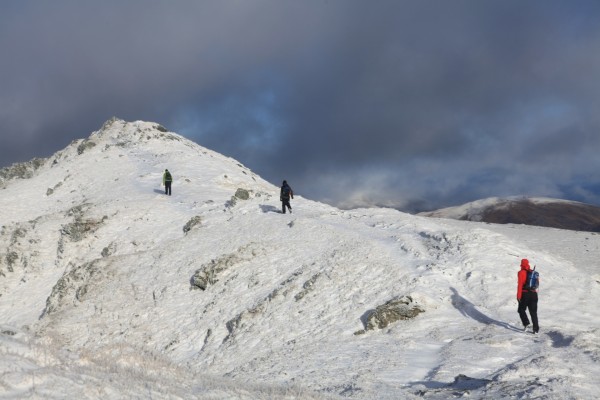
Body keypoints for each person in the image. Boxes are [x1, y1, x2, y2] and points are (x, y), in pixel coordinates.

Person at [517, 258, 539, 334]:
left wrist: (518, 296)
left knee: (521, 309)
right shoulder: (533, 273)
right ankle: (536, 329)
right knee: (533, 312)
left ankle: (526, 323)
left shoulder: (521, 272)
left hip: (525, 294)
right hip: (534, 294)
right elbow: (537, 284)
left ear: (521, 264)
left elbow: (520, 285)